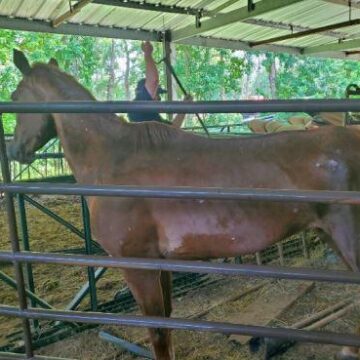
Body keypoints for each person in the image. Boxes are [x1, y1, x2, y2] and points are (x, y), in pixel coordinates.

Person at [127, 41, 192, 128]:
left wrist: (184, 107)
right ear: (143, 93)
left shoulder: (153, 115)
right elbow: (153, 80)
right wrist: (148, 54)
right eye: (157, 93)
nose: (159, 98)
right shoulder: (138, 108)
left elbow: (172, 129)